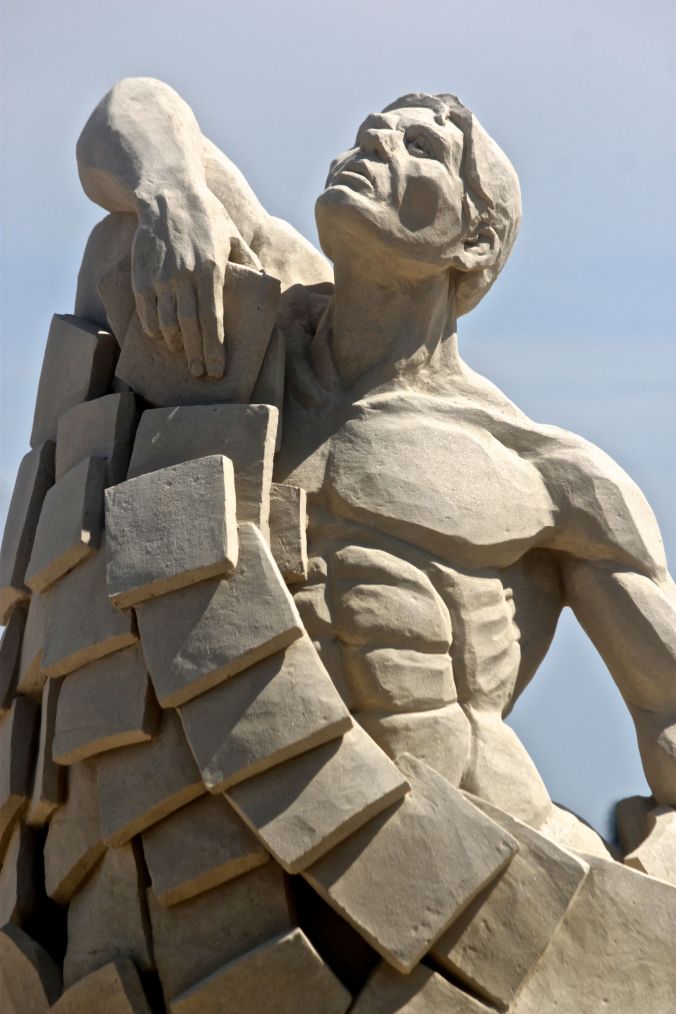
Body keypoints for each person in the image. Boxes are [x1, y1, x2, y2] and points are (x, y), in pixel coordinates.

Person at [75, 78, 676, 835]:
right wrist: (168, 191)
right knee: (122, 241)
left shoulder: (546, 473)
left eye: (420, 147)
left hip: (452, 867)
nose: (376, 144)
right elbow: (131, 111)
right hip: (218, 867)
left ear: (476, 240)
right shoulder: (255, 333)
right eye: (368, 134)